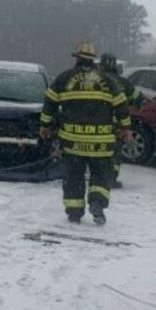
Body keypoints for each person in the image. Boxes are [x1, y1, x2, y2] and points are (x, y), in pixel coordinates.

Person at [40, 42, 130, 225]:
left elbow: (49, 103)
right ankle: (97, 203)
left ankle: (74, 211)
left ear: (77, 58)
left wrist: (45, 125)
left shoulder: (64, 79)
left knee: (74, 176)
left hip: (72, 142)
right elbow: (121, 105)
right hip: (101, 142)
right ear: (93, 60)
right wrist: (126, 129)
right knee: (100, 173)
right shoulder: (108, 80)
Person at [99, 53, 139, 188]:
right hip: (116, 125)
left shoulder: (96, 79)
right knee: (115, 153)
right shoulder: (123, 82)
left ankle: (98, 176)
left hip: (97, 123)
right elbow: (137, 97)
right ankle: (111, 178)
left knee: (97, 150)